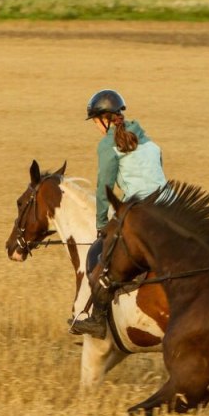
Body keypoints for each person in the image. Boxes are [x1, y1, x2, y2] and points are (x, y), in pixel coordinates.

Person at [71, 89, 167, 337]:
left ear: (104, 119)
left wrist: (102, 224)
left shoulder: (108, 145)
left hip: (141, 212)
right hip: (170, 207)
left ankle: (98, 319)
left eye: (94, 121)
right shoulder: (148, 140)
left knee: (98, 254)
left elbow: (105, 187)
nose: (95, 126)